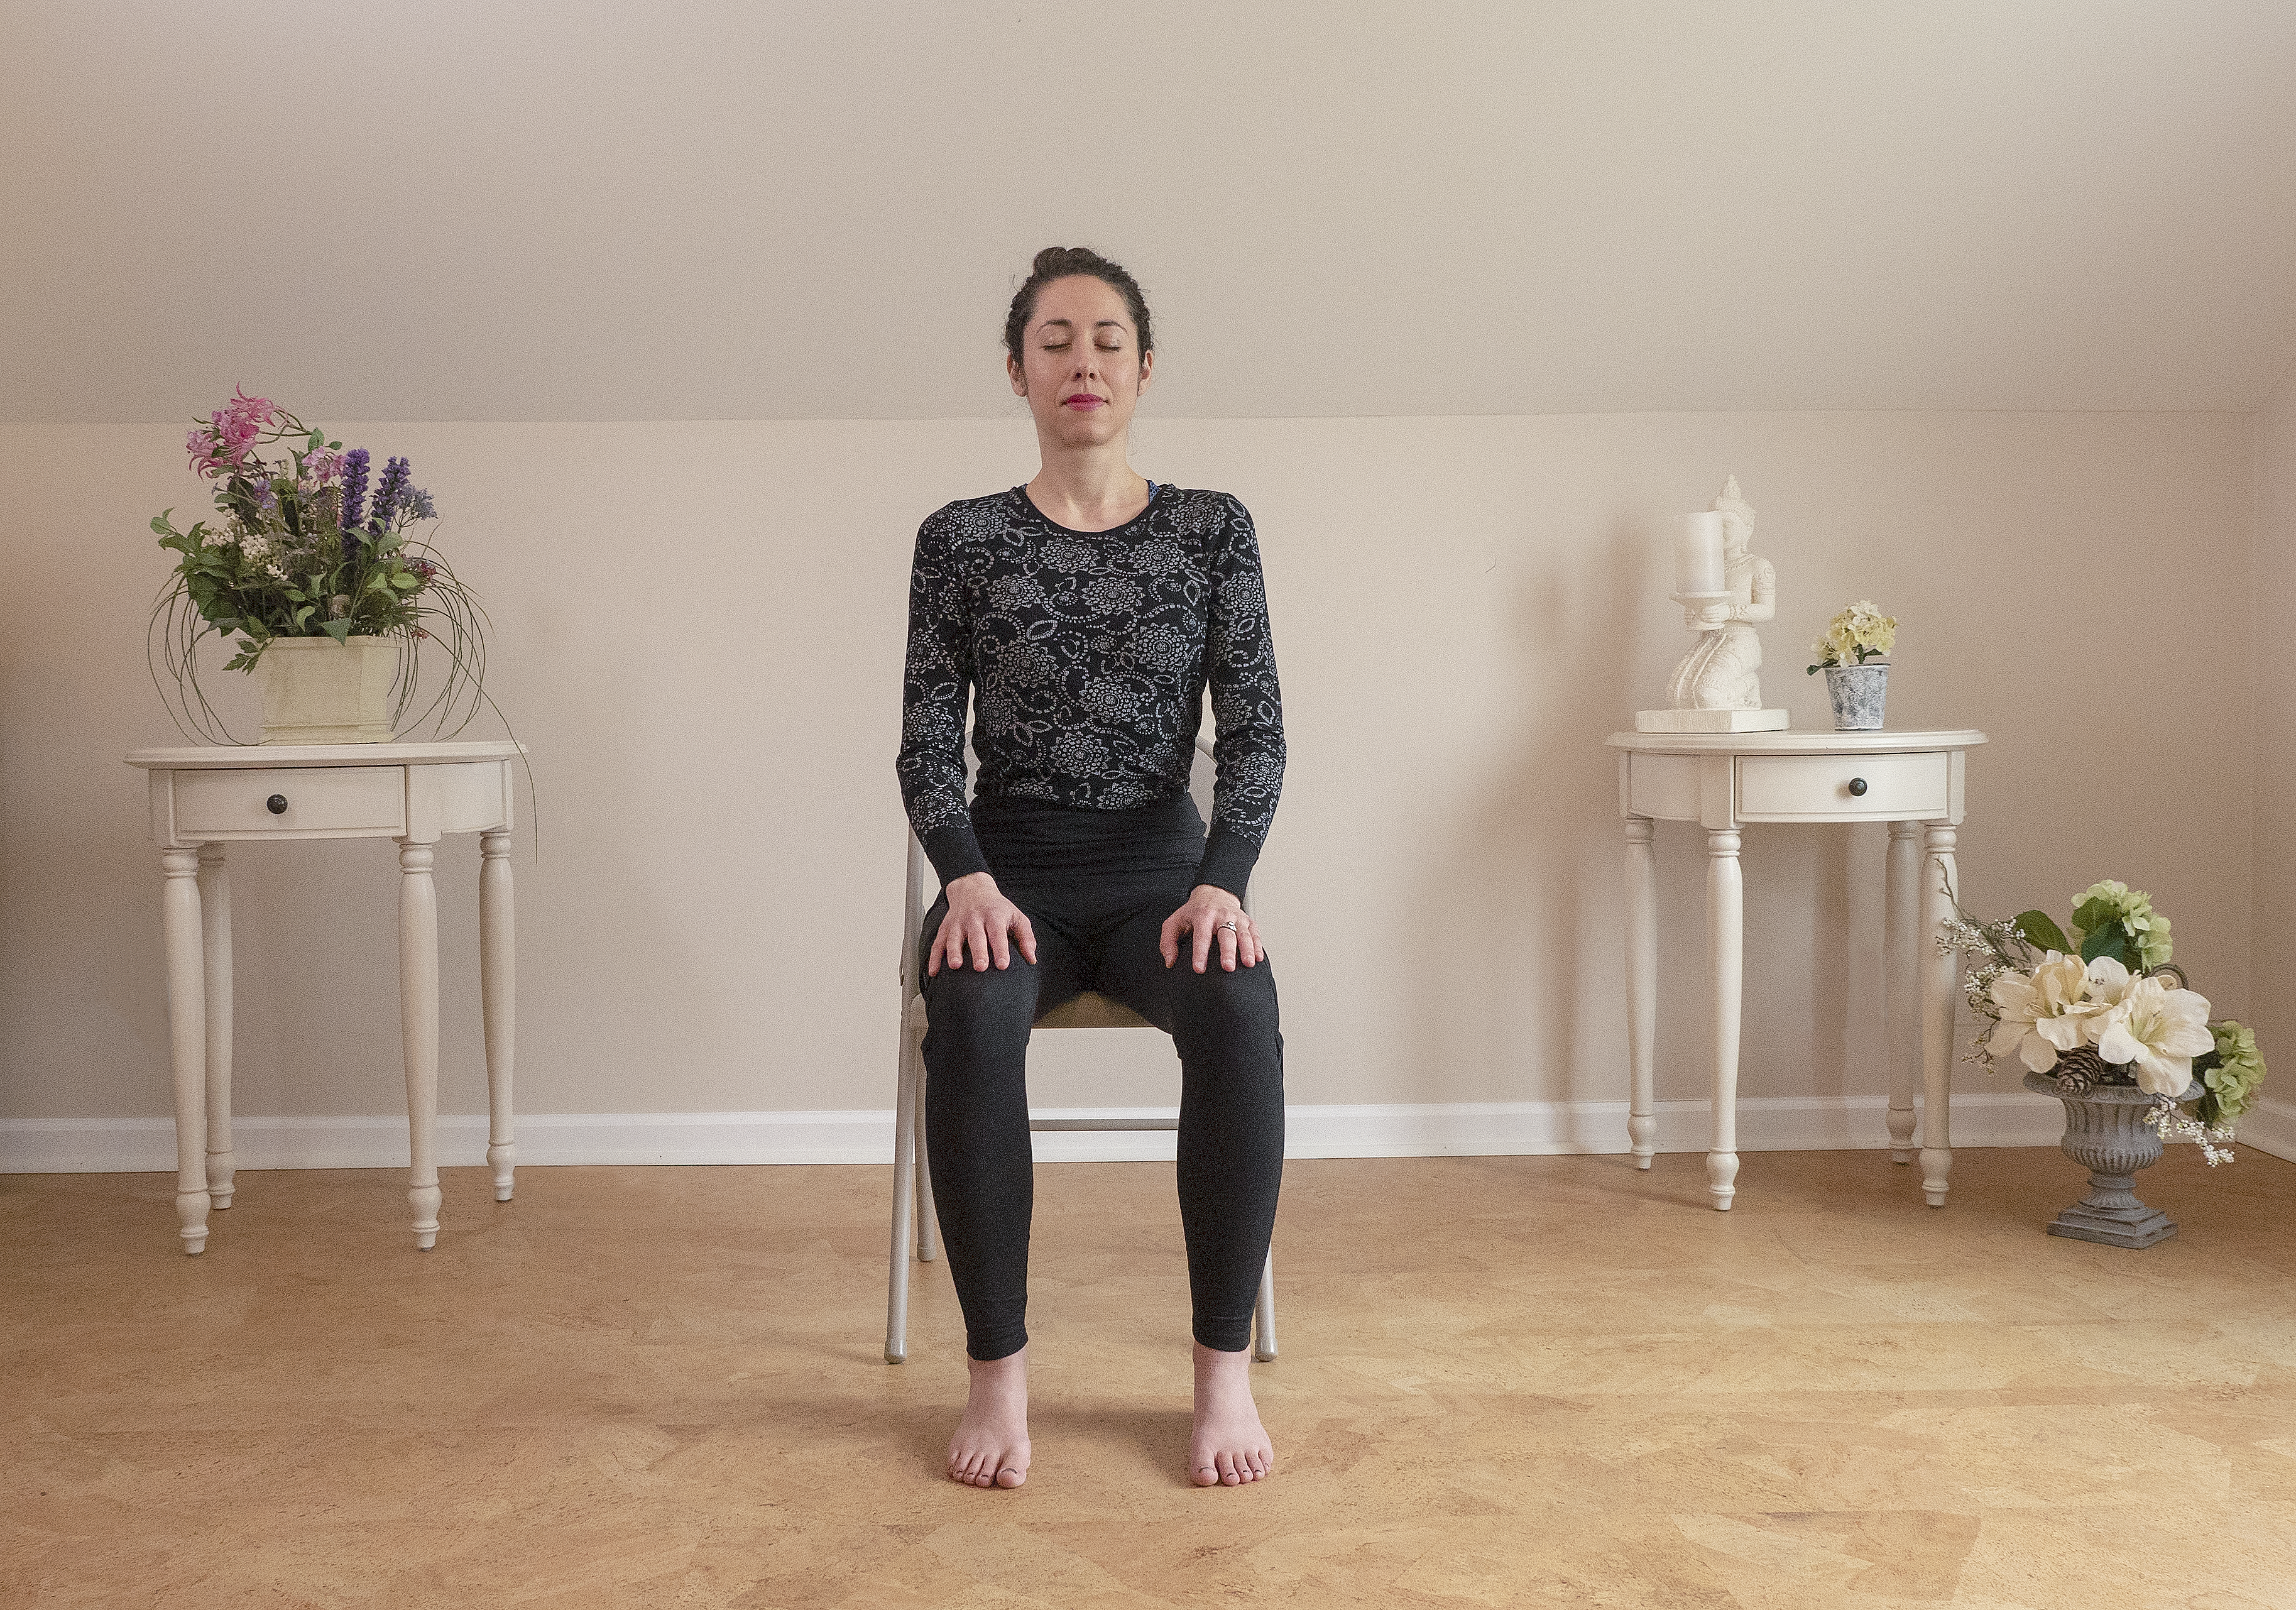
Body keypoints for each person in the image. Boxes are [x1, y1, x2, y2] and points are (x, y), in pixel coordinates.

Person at [896, 246, 1287, 1490]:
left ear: (1145, 370)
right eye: (1056, 340)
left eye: (1108, 340)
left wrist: (1225, 878)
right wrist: (960, 876)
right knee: (969, 1016)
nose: (1084, 362)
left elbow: (1260, 731)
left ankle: (1219, 1374)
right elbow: (922, 739)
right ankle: (997, 1376)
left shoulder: (1212, 529)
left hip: (1163, 879)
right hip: (1003, 877)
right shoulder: (958, 538)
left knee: (1237, 1008)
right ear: (1017, 370)